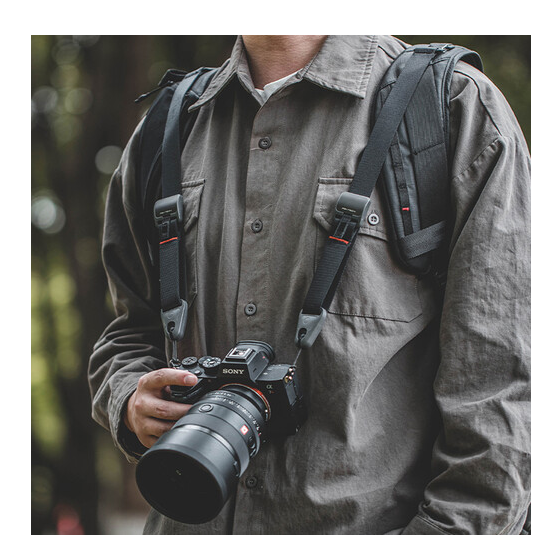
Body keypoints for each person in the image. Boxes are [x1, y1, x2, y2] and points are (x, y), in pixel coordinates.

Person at [89, 35, 531, 534]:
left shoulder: (452, 106)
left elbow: (501, 386)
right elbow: (128, 333)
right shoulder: (170, 126)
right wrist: (130, 400)